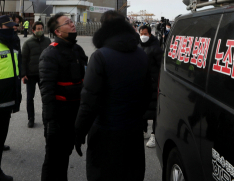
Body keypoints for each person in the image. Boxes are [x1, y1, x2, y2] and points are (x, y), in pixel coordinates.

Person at [74, 11, 150, 181]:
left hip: (106, 133)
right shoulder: (141, 54)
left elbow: (89, 101)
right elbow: (148, 94)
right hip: (133, 131)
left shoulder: (100, 56)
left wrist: (79, 132)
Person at [39, 13, 88, 181]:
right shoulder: (50, 54)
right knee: (53, 160)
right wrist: (50, 123)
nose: (72, 25)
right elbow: (47, 92)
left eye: (72, 21)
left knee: (65, 155)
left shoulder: (77, 50)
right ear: (58, 31)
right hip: (59, 116)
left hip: (75, 114)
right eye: (67, 23)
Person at [0, 15, 22, 181]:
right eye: (9, 27)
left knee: (0, 140)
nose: (12, 29)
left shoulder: (12, 45)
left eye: (13, 26)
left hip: (8, 102)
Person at [21, 21, 50, 128]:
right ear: (33, 30)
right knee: (30, 98)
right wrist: (23, 74)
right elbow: (23, 60)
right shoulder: (28, 43)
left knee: (46, 97)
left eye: (41, 28)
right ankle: (31, 118)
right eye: (37, 29)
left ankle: (46, 118)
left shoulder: (47, 41)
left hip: (44, 74)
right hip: (31, 75)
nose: (40, 30)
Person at [138, 25, 162, 148]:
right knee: (142, 108)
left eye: (145, 34)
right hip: (141, 83)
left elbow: (161, 67)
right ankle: (143, 130)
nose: (143, 36)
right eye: (141, 33)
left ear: (150, 34)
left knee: (154, 111)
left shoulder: (156, 48)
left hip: (153, 83)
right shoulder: (137, 47)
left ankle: (154, 134)